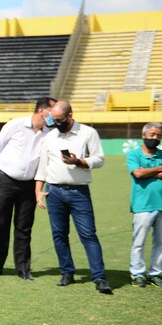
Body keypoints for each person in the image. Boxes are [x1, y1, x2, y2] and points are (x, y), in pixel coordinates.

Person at [34, 101, 112, 294]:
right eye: (54, 119)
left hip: (79, 192)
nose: (56, 123)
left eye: (60, 120)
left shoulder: (87, 133)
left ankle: (99, 277)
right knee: (59, 234)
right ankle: (67, 273)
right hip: (54, 192)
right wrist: (38, 190)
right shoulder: (50, 137)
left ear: (70, 115)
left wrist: (79, 161)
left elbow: (100, 159)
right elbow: (43, 165)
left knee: (88, 234)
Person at [0, 97, 55, 280]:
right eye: (53, 110)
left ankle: (23, 268)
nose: (55, 115)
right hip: (5, 180)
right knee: (0, 224)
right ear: (42, 110)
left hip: (30, 185)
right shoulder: (15, 125)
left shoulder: (49, 133)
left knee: (24, 227)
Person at [126, 122, 162, 288]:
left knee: (160, 243)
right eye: (152, 135)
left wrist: (147, 171)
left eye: (159, 136)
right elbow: (138, 173)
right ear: (144, 135)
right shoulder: (134, 154)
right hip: (142, 205)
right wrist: (158, 170)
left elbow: (142, 172)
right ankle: (137, 273)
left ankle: (156, 273)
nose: (155, 138)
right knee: (139, 242)